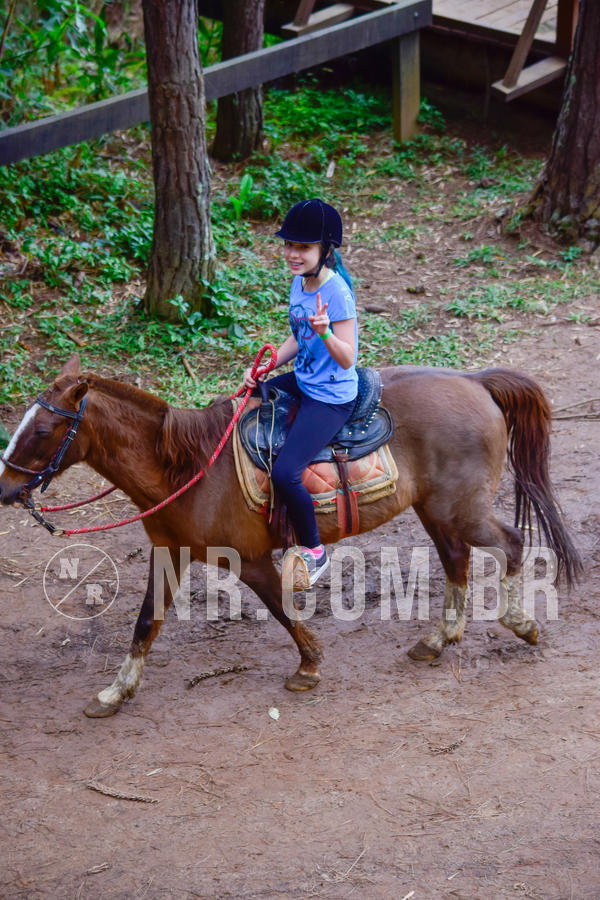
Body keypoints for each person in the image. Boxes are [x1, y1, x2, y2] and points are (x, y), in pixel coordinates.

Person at [243, 198, 359, 590]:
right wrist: (269, 364)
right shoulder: (299, 282)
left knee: (286, 471)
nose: (293, 254)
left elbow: (346, 359)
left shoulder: (337, 293)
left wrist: (326, 330)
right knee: (246, 400)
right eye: (289, 245)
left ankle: (314, 549)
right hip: (304, 378)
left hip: (330, 396)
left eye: (303, 247)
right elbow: (299, 334)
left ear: (325, 250)